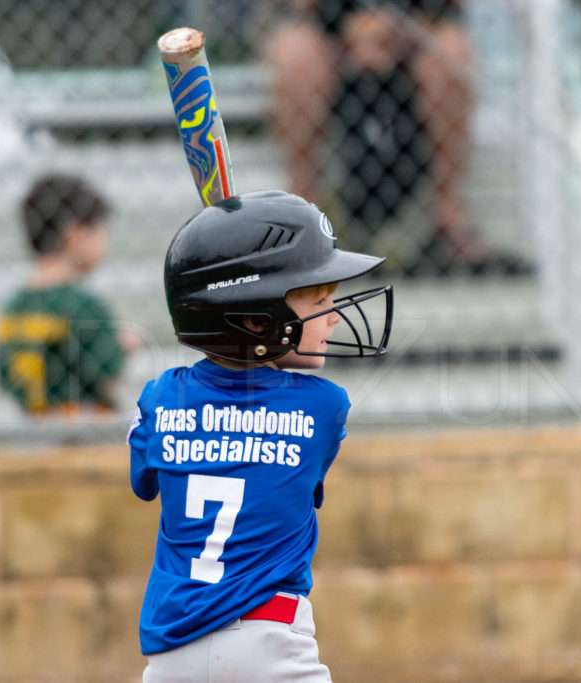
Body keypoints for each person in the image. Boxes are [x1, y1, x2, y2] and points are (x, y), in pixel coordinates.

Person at [128, 190, 393, 681]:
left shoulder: (160, 398)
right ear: (256, 319)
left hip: (170, 655)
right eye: (317, 298)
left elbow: (144, 482)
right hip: (271, 645)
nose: (333, 315)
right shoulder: (324, 407)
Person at [265, 0, 493, 273]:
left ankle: (449, 219)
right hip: (333, 35)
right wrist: (345, 26)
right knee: (294, 55)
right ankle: (302, 215)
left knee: (452, 49)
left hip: (417, 31)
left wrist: (397, 28)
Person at [0, 173, 136, 417]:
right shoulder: (83, 305)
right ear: (76, 235)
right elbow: (105, 374)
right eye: (101, 232)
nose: (105, 243)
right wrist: (122, 346)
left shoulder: (15, 305)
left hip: (33, 424)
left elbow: (3, 371)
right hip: (82, 424)